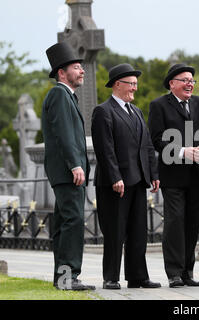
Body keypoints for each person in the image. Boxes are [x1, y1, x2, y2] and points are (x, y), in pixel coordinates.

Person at [91, 63, 160, 290]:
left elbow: (147, 146)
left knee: (138, 232)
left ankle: (138, 276)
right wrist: (115, 177)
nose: (134, 89)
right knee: (115, 232)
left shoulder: (137, 111)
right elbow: (105, 149)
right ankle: (111, 277)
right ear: (117, 84)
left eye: (136, 85)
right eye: (131, 84)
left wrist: (153, 174)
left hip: (138, 180)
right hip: (115, 184)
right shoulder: (103, 111)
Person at [148, 63, 199, 288]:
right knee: (175, 222)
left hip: (197, 176)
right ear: (172, 84)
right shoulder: (158, 106)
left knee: (193, 223)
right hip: (173, 175)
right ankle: (173, 272)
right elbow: (156, 139)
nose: (190, 84)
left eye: (192, 80)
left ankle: (188, 272)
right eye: (185, 80)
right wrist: (184, 151)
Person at [42, 42, 94, 290]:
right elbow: (64, 133)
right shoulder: (59, 94)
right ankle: (69, 277)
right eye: (76, 67)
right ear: (62, 73)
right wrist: (75, 165)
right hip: (68, 172)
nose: (82, 71)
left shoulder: (66, 96)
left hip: (65, 172)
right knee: (73, 222)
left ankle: (61, 278)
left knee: (65, 224)